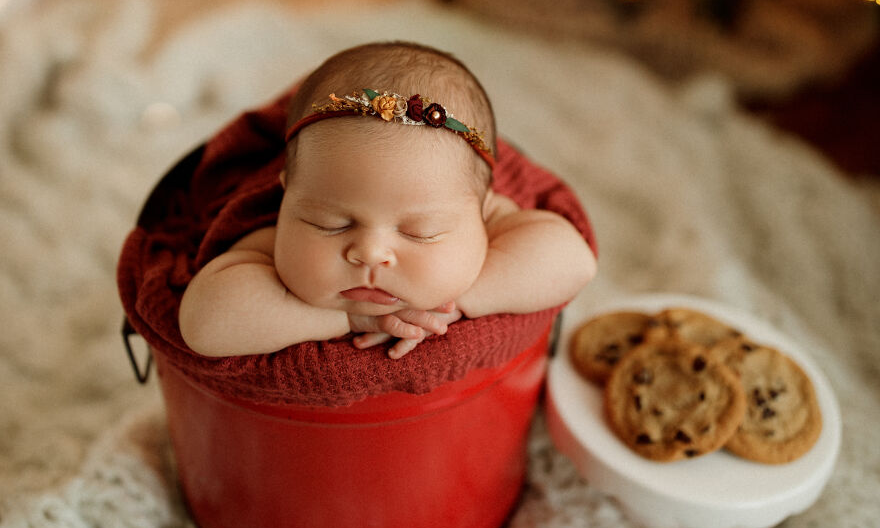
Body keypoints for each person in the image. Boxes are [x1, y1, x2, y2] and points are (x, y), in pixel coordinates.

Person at [179, 40, 597, 359]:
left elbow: (573, 260)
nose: (370, 254)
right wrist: (346, 318)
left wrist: (456, 303)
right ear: (287, 194)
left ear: (484, 208)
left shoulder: (484, 213)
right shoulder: (270, 234)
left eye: (420, 232)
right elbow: (204, 323)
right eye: (331, 223)